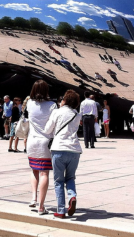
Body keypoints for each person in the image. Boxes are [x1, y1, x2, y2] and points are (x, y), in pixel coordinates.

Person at [44, 89, 82, 219]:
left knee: (58, 181)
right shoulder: (77, 115)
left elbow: (47, 129)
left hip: (59, 148)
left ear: (65, 100)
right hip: (75, 150)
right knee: (70, 177)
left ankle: (61, 210)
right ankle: (72, 196)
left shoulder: (57, 112)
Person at [27, 80, 57, 215]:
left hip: (31, 141)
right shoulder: (52, 105)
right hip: (46, 141)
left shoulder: (29, 103)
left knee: (34, 170)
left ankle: (33, 198)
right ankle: (41, 205)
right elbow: (55, 123)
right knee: (44, 173)